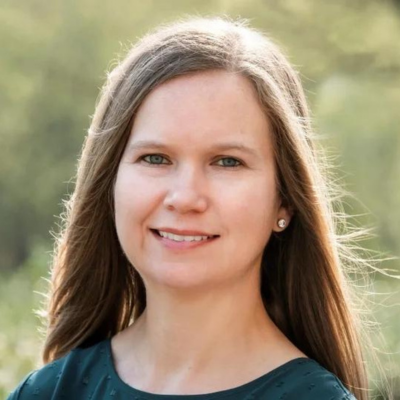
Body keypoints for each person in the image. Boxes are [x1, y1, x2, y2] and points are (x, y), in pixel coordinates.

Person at [8, 15, 376, 400]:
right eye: (155, 158)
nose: (184, 197)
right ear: (110, 184)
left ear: (284, 199)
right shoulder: (48, 392)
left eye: (227, 161)